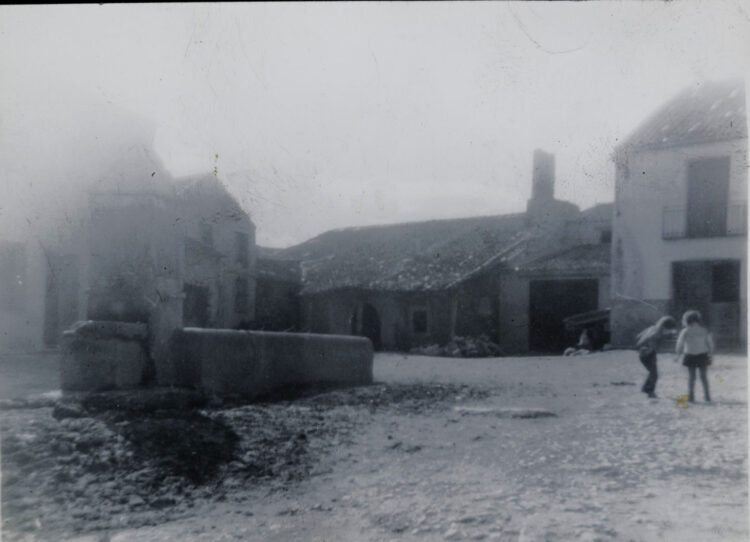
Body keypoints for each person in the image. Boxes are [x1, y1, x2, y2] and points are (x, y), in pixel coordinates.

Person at [675, 310, 714, 403]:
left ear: (687, 320)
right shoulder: (704, 330)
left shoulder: (685, 331)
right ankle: (707, 396)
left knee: (691, 377)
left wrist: (677, 355)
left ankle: (691, 397)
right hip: (703, 355)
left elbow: (679, 344)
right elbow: (710, 343)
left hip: (690, 355)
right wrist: (711, 354)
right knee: (704, 377)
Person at [635, 316, 677, 398]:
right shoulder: (656, 335)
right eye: (669, 330)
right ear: (664, 327)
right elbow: (653, 347)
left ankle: (645, 388)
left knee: (652, 373)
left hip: (644, 354)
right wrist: (650, 351)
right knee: (654, 374)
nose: (670, 332)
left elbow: (639, 336)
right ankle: (650, 392)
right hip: (648, 354)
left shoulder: (652, 329)